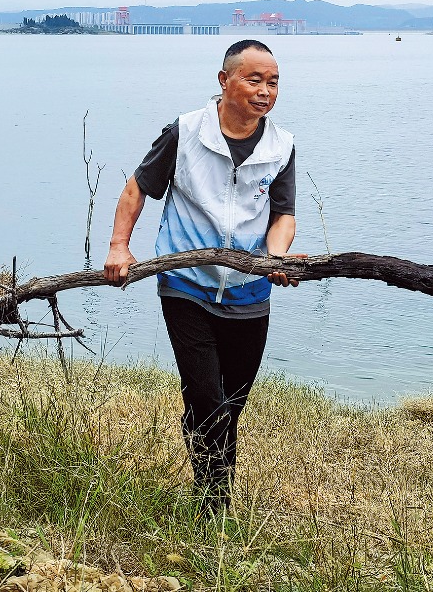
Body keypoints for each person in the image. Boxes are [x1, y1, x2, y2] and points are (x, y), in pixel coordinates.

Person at [104, 39, 302, 512]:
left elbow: (283, 215)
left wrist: (274, 259)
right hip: (185, 284)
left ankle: (204, 456)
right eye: (254, 80)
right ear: (224, 80)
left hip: (249, 290)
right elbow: (137, 189)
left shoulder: (282, 145)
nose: (265, 91)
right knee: (210, 401)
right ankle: (214, 506)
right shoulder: (186, 131)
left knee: (230, 404)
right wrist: (119, 246)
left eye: (273, 82)